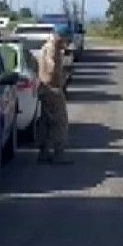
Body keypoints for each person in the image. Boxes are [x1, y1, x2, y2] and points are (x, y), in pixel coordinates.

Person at [36, 24, 73, 164]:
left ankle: (43, 152)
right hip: (53, 89)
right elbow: (51, 68)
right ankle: (59, 154)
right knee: (60, 122)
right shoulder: (52, 49)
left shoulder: (44, 47)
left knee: (45, 121)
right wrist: (60, 79)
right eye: (64, 39)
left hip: (44, 88)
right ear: (60, 36)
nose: (65, 43)